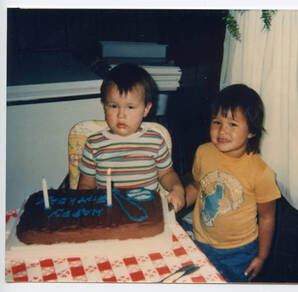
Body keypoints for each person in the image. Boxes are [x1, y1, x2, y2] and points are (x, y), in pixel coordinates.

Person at [184, 84, 281, 282]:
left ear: (252, 131)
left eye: (233, 124)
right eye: (217, 122)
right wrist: (176, 202)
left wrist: (262, 256)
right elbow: (196, 186)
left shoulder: (261, 172)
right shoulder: (203, 152)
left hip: (239, 251)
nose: (222, 131)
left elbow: (267, 218)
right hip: (201, 239)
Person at [78, 63, 185, 212]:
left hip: (147, 213)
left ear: (146, 109)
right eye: (114, 106)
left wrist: (177, 188)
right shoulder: (94, 144)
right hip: (107, 215)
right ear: (103, 105)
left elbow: (166, 174)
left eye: (130, 107)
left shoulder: (155, 141)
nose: (121, 115)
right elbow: (86, 185)